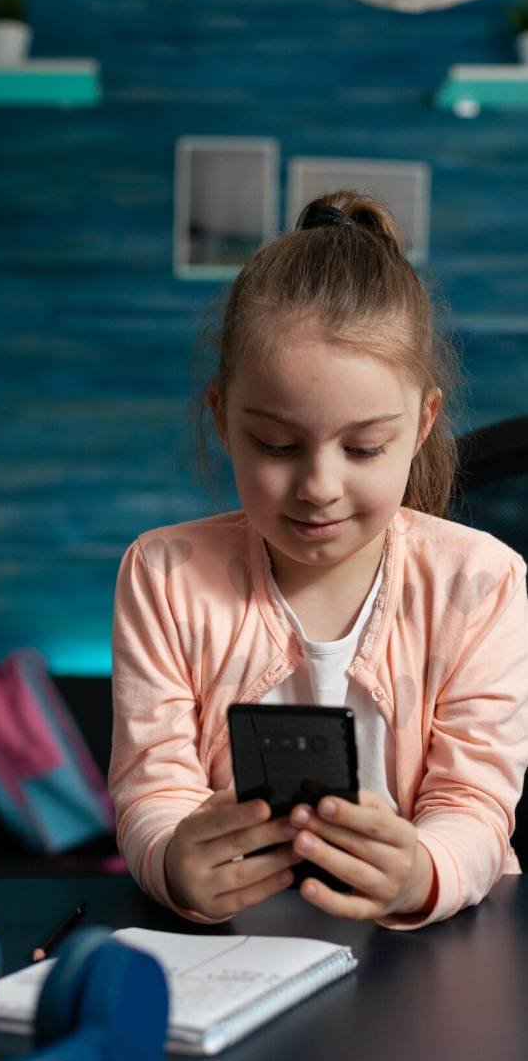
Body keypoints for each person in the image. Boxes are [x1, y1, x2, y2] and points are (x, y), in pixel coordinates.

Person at [108, 190, 528, 930]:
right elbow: (152, 789)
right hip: (237, 952)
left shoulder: (481, 581)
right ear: (223, 419)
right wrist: (174, 858)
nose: (319, 488)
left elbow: (475, 806)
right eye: (277, 445)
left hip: (434, 953)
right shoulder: (163, 574)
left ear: (423, 424)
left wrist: (421, 872)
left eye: (364, 448)